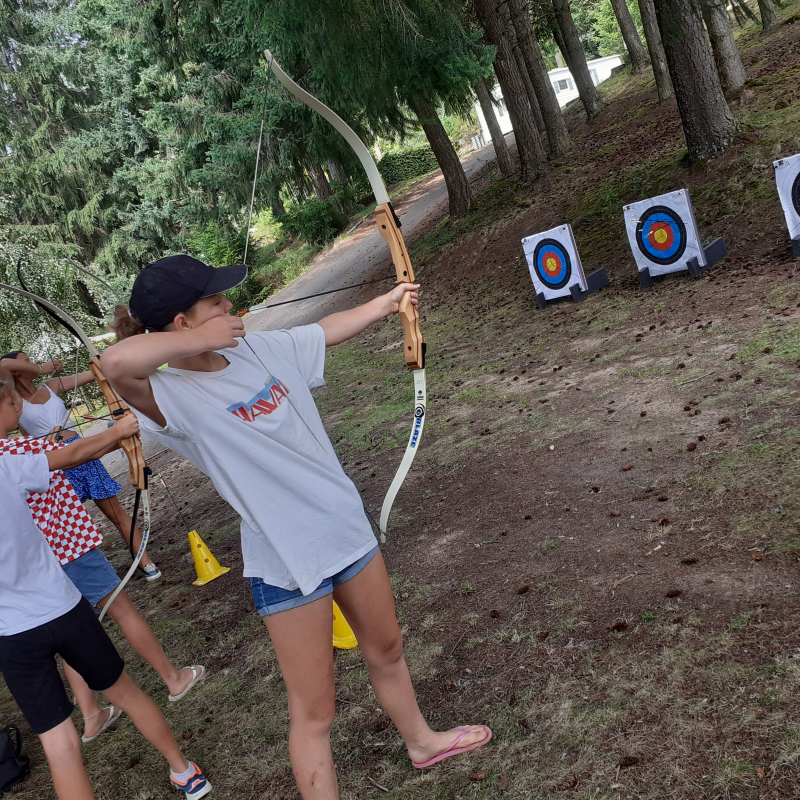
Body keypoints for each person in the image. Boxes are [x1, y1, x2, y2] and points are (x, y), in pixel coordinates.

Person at [101, 255, 491, 799]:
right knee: (315, 711)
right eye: (214, 302)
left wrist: (385, 303)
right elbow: (116, 361)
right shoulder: (168, 398)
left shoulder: (256, 347)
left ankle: (422, 742)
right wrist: (197, 342)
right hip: (286, 560)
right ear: (182, 323)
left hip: (343, 527)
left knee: (388, 649)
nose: (229, 306)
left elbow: (322, 332)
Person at [0, 379, 211, 800]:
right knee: (129, 694)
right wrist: (118, 432)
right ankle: (185, 771)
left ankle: (92, 714)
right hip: (62, 608)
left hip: (11, 636)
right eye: (12, 401)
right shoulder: (12, 459)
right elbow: (76, 452)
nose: (19, 405)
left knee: (59, 746)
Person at [0, 351, 161, 580]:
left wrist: (101, 360)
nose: (33, 363)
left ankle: (145, 562)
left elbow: (96, 372)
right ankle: (79, 577)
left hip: (83, 450)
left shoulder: (51, 385)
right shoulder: (13, 397)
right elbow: (4, 363)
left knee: (116, 514)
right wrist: (43, 368)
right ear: (16, 370)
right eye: (27, 361)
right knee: (64, 526)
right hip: (54, 463)